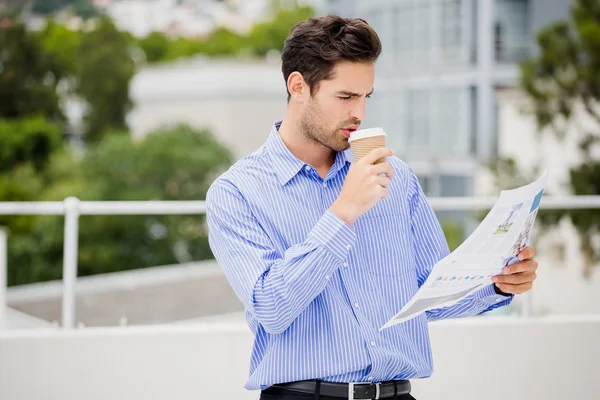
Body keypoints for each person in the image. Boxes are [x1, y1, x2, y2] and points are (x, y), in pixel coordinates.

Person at [205, 15, 539, 400]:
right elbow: (271, 308)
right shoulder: (237, 193)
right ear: (298, 86)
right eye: (346, 97)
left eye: (367, 97)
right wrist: (342, 212)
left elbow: (429, 295)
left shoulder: (397, 179)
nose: (360, 113)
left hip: (397, 394)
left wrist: (496, 284)